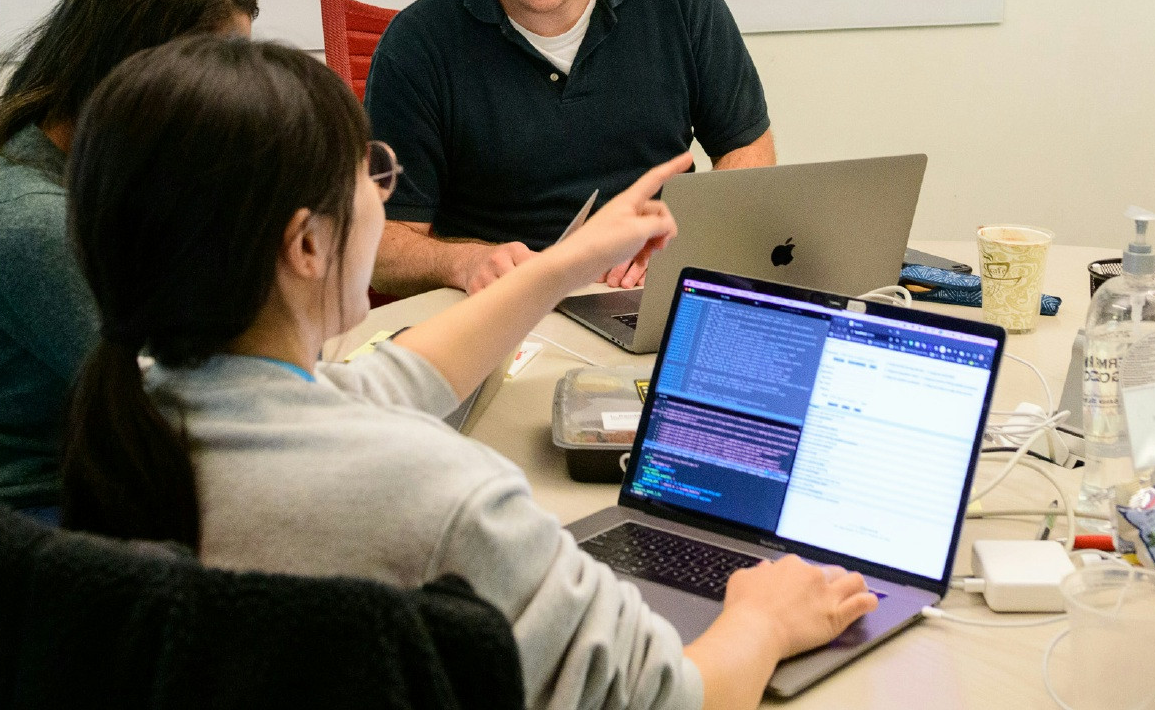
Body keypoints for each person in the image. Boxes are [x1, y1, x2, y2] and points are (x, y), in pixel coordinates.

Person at [60, 36, 874, 710]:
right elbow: (674, 697)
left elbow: (395, 380)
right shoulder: (443, 496)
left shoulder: (146, 404)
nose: (384, 195)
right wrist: (763, 618)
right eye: (373, 175)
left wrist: (564, 264)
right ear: (307, 245)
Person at [0, 0, 256, 517]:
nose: (232, 94)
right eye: (216, 70)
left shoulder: (97, 171)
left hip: (46, 489)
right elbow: (175, 413)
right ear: (132, 68)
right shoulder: (29, 218)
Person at [365, 0, 776, 298]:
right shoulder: (416, 46)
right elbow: (379, 247)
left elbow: (749, 149)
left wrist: (681, 240)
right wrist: (466, 261)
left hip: (654, 290)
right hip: (507, 313)